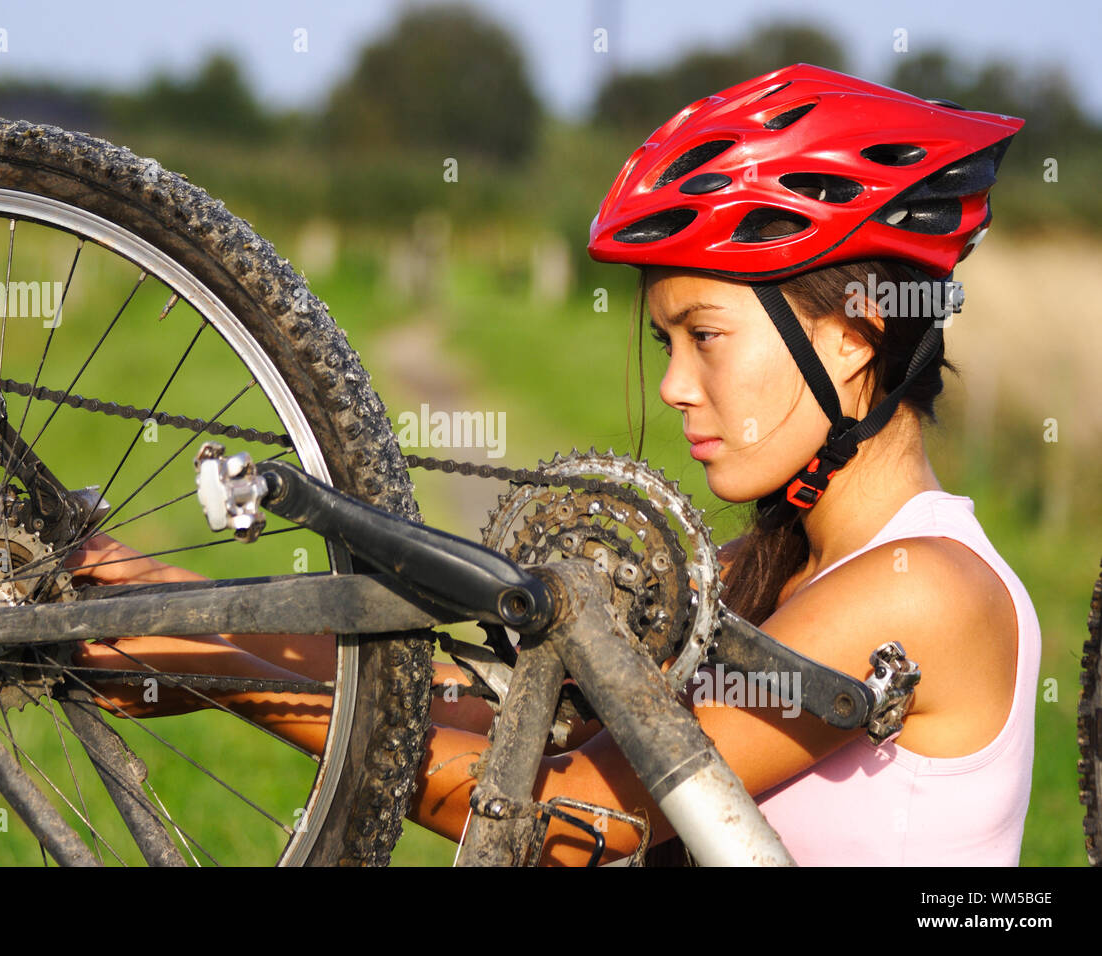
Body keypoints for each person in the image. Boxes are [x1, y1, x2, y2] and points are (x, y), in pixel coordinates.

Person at [64, 63, 1040, 866]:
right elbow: (531, 729)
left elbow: (574, 811)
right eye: (665, 345)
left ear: (851, 337)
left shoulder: (925, 591)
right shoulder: (768, 571)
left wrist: (222, 670)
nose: (675, 387)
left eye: (705, 335)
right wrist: (185, 613)